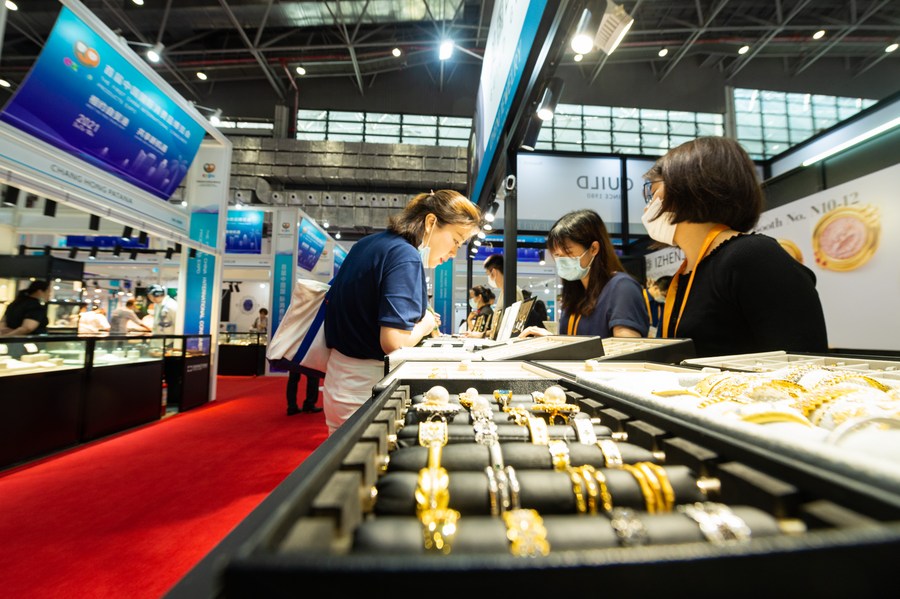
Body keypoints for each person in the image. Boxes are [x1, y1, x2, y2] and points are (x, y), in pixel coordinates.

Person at [641, 136, 827, 357]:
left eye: (652, 192)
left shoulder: (753, 257)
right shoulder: (689, 272)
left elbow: (803, 361)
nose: (648, 207)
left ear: (690, 186)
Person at [323, 189, 481, 434]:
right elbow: (393, 342)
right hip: (365, 388)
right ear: (431, 222)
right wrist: (426, 323)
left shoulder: (369, 243)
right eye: (456, 241)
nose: (453, 253)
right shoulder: (405, 255)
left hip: (339, 381)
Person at [520, 209, 649, 339]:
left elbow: (626, 349)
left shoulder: (622, 288)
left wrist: (556, 341)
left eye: (568, 252)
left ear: (594, 248)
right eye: (557, 255)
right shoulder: (576, 294)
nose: (562, 260)